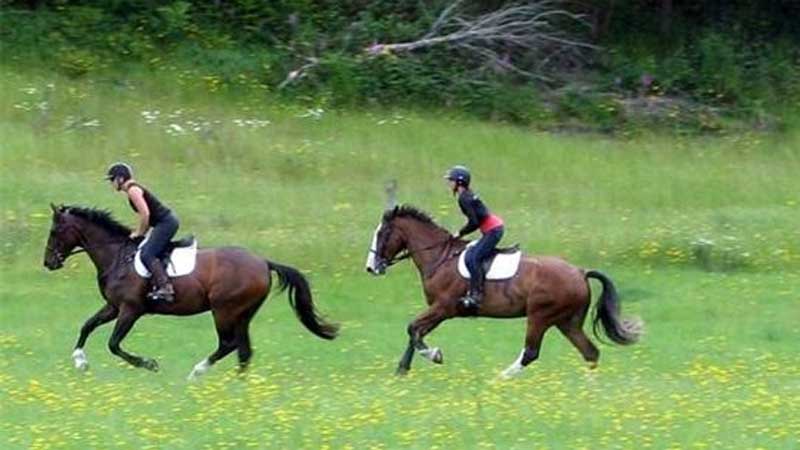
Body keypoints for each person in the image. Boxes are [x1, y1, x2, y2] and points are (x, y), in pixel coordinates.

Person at [106, 162, 178, 302]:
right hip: (162, 224)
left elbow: (145, 214)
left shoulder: (133, 190)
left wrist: (139, 233)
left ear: (120, 179)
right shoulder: (132, 190)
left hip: (166, 224)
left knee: (146, 254)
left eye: (112, 179)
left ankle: (165, 287)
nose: (111, 183)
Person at [444, 165, 505, 311]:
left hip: (493, 231)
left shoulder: (464, 199)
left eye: (451, 180)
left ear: (459, 182)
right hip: (492, 229)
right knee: (471, 254)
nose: (449, 183)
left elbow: (474, 222)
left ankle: (476, 295)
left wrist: (460, 233)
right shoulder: (467, 195)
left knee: (473, 259)